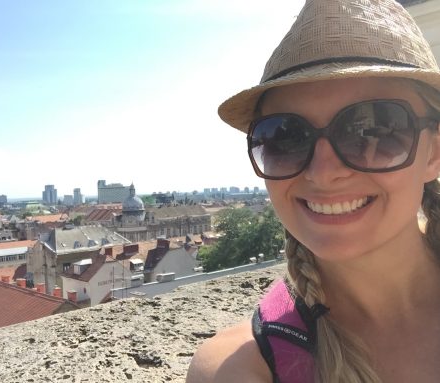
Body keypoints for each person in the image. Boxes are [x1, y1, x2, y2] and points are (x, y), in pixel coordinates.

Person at [186, 0, 440, 382]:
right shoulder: (241, 369)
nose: (323, 173)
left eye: (374, 130)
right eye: (285, 138)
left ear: (434, 152)